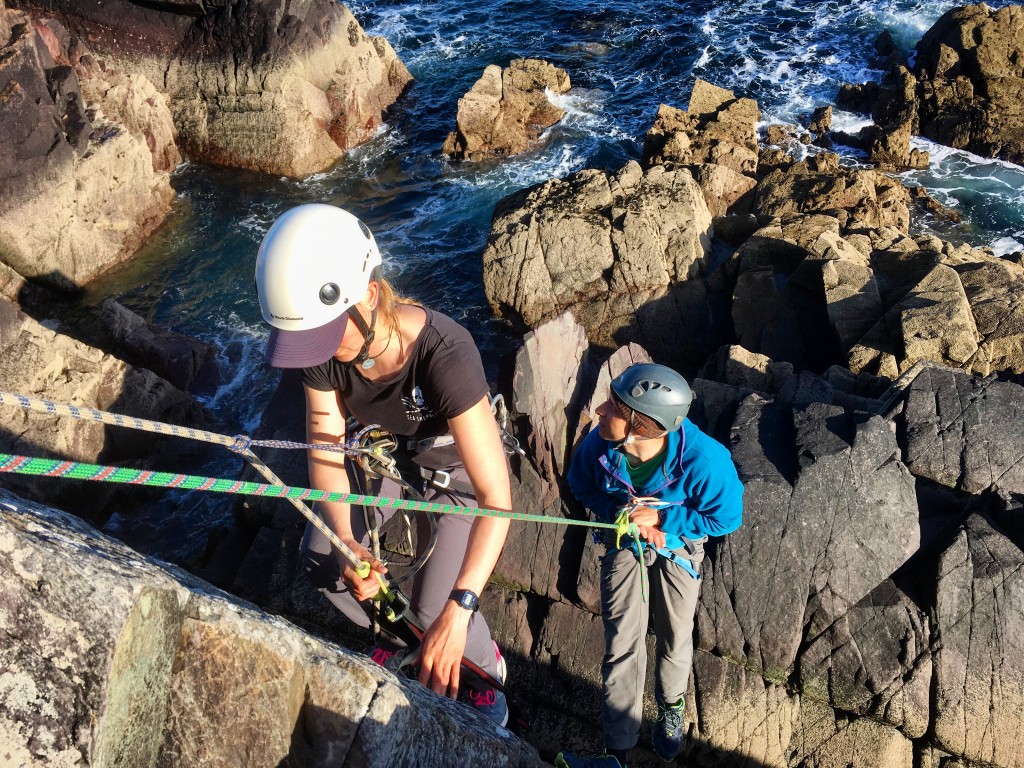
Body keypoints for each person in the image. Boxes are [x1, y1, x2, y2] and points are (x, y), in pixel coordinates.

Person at [254, 203, 512, 726]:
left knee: (437, 605)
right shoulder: (321, 347)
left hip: (454, 475)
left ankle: (486, 668)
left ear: (368, 296)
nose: (316, 354)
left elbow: (496, 497)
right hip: (389, 460)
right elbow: (325, 448)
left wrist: (460, 609)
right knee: (323, 556)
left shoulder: (445, 354)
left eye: (324, 338)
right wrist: (350, 544)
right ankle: (402, 634)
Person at [556, 363, 743, 767]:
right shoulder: (599, 447)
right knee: (622, 642)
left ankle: (671, 708)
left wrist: (663, 520)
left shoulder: (704, 461)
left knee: (675, 637)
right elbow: (580, 483)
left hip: (677, 548)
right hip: (624, 541)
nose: (599, 412)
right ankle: (617, 750)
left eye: (613, 407)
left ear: (641, 426)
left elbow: (726, 518)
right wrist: (621, 510)